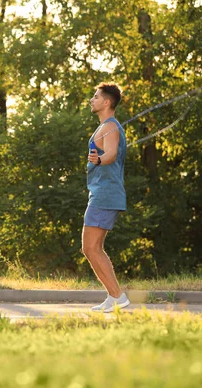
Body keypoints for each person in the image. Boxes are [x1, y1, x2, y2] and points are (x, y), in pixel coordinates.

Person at [83, 82, 130, 312]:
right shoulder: (106, 126)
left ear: (106, 102)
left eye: (95, 96)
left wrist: (100, 160)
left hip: (105, 195)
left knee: (90, 248)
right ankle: (113, 297)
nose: (92, 100)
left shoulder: (110, 127)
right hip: (103, 193)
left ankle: (118, 297)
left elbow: (110, 153)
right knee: (94, 248)